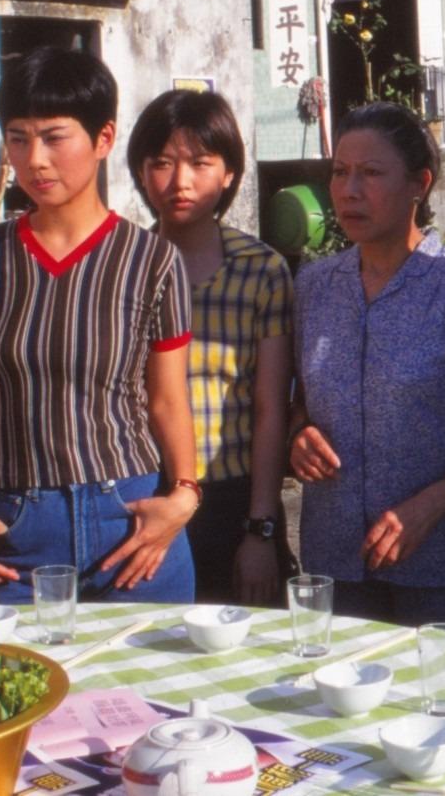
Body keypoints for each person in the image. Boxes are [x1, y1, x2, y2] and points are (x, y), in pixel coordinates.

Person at [0, 49, 198, 606]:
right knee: (18, 666)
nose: (34, 160)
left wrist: (183, 495)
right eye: (18, 138)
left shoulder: (152, 259)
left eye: (54, 137)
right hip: (16, 528)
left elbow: (167, 400)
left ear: (104, 138)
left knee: (148, 665)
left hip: (132, 521)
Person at [289, 102, 445, 640]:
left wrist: (435, 502)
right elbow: (299, 400)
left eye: (371, 173)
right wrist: (298, 434)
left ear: (419, 185)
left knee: (443, 691)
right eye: (340, 173)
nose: (350, 190)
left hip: (443, 568)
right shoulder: (314, 288)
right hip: (337, 564)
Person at [126, 89, 296, 605]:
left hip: (233, 497)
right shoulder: (121, 267)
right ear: (140, 171)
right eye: (162, 163)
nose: (180, 182)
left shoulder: (261, 270)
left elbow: (270, 409)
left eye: (200, 163)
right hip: (142, 493)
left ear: (228, 173)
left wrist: (260, 529)